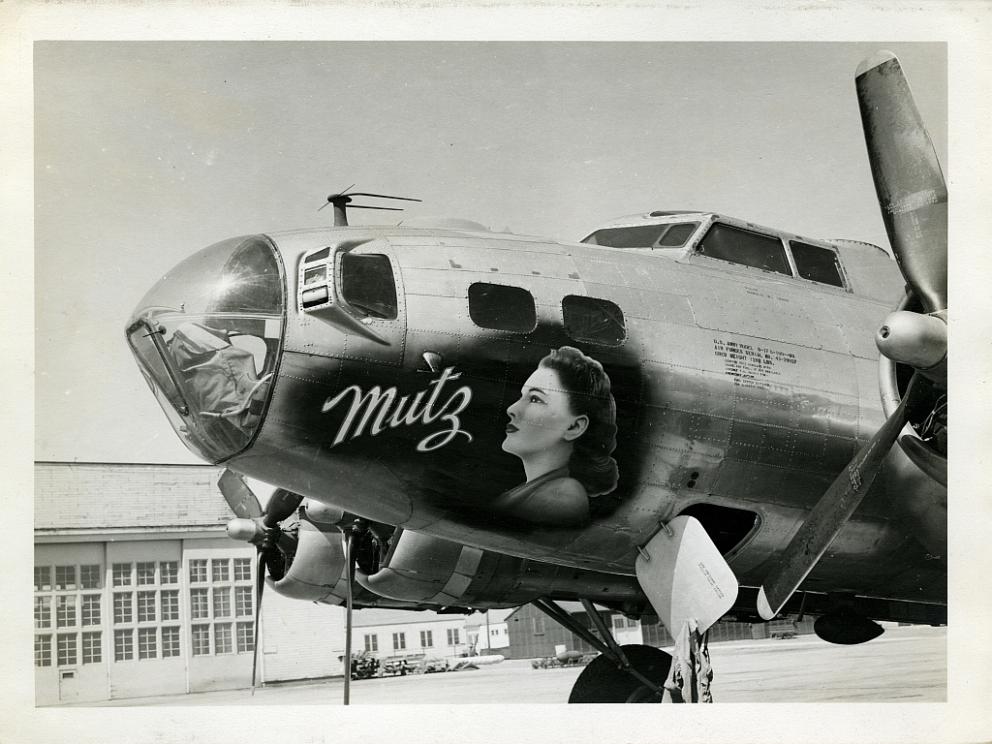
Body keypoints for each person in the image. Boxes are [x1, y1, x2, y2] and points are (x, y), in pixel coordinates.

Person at [493, 346, 618, 527]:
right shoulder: (532, 492)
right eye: (522, 397)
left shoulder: (563, 498)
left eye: (535, 399)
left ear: (574, 426)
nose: (512, 409)